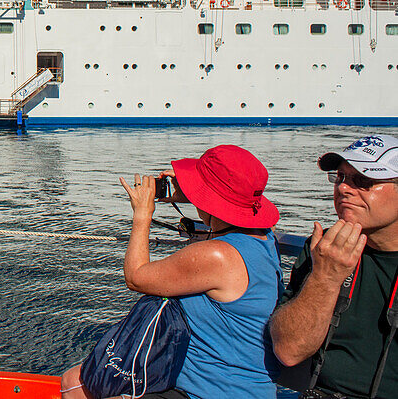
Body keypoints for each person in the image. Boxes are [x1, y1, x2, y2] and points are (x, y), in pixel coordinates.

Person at [61, 145, 283, 399]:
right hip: (235, 384)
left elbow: (136, 277)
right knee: (73, 382)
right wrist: (195, 195)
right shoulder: (264, 238)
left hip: (213, 391)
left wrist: (142, 215)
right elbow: (225, 223)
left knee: (79, 387)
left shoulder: (216, 255)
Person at [270, 134, 398, 399]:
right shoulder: (323, 249)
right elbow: (288, 350)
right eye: (340, 177)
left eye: (363, 181)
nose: (343, 189)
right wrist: (325, 278)